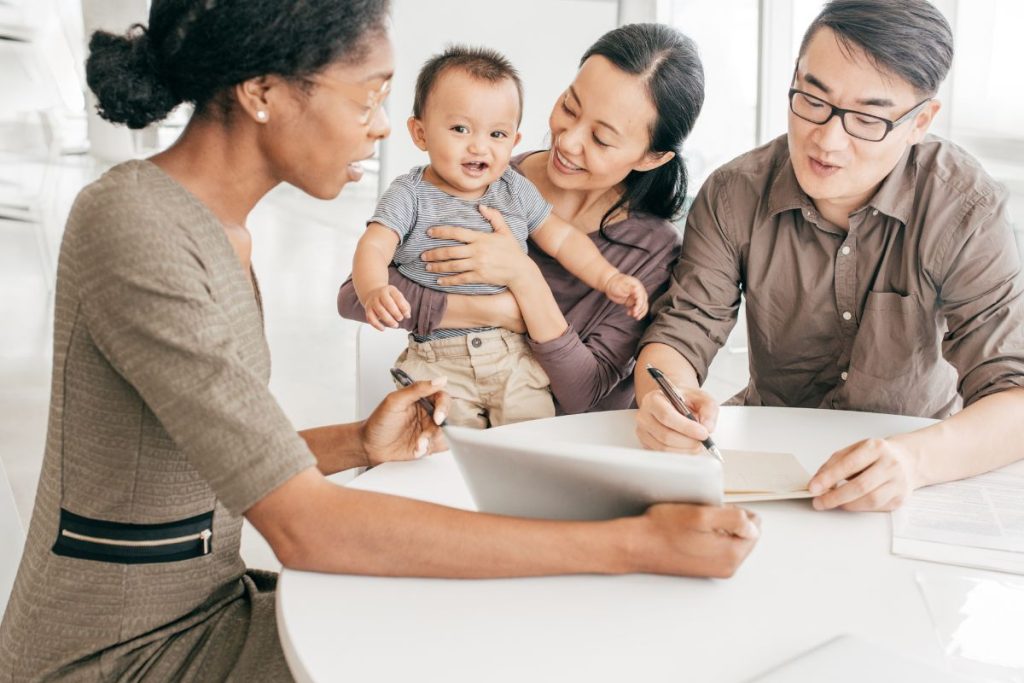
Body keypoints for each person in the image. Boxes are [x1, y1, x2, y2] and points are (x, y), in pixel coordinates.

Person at [0, 3, 759, 680]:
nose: (384, 125)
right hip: (123, 655)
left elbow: (204, 452)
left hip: (210, 606)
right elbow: (303, 525)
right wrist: (636, 543)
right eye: (369, 95)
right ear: (264, 93)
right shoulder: (138, 226)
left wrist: (359, 441)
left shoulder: (217, 228)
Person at [635, 0, 1024, 513]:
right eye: (812, 100)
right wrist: (666, 399)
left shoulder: (964, 208)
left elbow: (1013, 395)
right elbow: (681, 333)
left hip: (916, 465)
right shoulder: (733, 194)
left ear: (920, 120)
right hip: (769, 461)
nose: (826, 140)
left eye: (867, 119)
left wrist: (915, 462)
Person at [339, 22, 701, 416]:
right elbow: (355, 296)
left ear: (652, 157)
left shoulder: (651, 250)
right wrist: (499, 312)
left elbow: (586, 395)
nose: (567, 140)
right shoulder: (484, 181)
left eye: (601, 139)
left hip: (566, 446)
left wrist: (524, 278)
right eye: (570, 106)